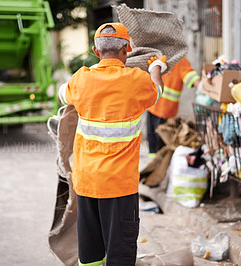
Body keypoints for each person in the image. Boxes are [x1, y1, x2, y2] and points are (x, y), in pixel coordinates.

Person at [57, 22, 166, 265]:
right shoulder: (137, 80)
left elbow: (61, 93)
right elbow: (157, 90)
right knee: (120, 255)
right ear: (127, 49)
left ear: (96, 51)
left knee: (90, 254)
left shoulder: (82, 78)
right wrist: (157, 66)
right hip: (120, 187)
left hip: (86, 183)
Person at [146, 57, 201, 157]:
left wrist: (202, 86)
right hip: (154, 105)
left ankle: (157, 164)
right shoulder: (160, 55)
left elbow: (190, 75)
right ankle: (154, 165)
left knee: (159, 142)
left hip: (164, 109)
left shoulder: (179, 60)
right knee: (154, 141)